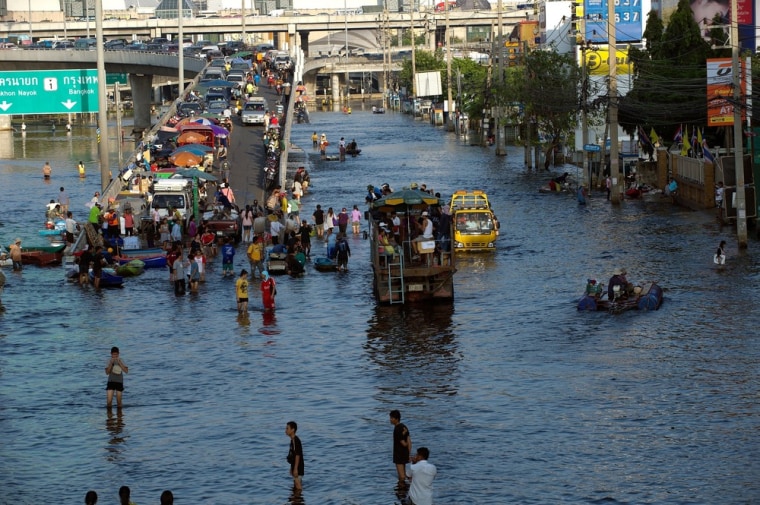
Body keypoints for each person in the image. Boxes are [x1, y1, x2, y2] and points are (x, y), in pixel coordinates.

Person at [390, 409, 412, 482]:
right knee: (404, 474)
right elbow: (409, 441)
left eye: (392, 418)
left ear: (396, 419)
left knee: (401, 477)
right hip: (405, 453)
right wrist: (408, 453)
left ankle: (402, 492)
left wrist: (402, 438)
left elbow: (404, 443)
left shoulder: (397, 429)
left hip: (399, 454)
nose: (390, 420)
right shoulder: (404, 427)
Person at [285, 421, 304, 492]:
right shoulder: (292, 440)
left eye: (287, 428)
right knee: (295, 486)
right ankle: (296, 499)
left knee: (298, 486)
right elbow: (293, 456)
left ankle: (299, 500)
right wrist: (291, 467)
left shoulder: (295, 441)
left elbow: (297, 455)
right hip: (295, 466)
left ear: (292, 430)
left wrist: (295, 468)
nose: (285, 431)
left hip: (298, 467)